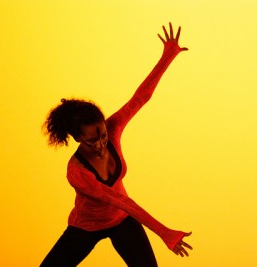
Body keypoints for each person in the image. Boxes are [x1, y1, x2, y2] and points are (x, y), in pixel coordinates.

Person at [40, 22, 192, 267]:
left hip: (122, 220)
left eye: (101, 134)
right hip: (86, 227)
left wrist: (167, 56)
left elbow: (140, 98)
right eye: (92, 140)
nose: (101, 143)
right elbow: (121, 200)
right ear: (78, 139)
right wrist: (164, 232)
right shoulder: (76, 171)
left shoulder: (113, 128)